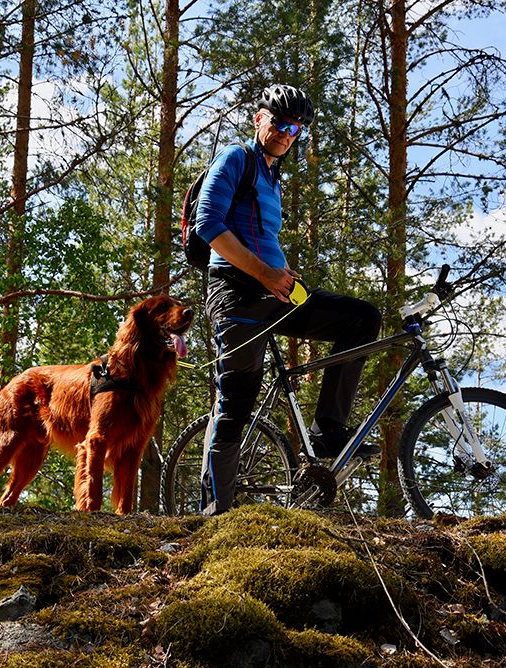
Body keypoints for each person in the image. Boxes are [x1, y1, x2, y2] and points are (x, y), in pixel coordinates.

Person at [194, 84, 382, 516]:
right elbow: (208, 225)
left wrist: (278, 272)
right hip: (237, 296)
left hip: (277, 291)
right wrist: (263, 272)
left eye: (294, 127)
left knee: (361, 320)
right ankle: (213, 516)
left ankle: (327, 432)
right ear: (258, 119)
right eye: (278, 122)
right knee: (234, 406)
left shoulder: (272, 175)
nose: (285, 132)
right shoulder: (235, 158)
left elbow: (259, 235)